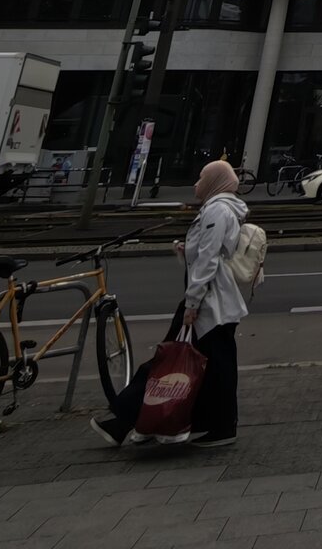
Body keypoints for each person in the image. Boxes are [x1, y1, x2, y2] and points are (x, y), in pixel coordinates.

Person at [96, 159, 248, 449]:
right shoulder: (220, 208)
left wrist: (192, 304)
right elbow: (206, 252)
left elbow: (208, 259)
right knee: (212, 368)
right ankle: (209, 426)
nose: (196, 184)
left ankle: (125, 419)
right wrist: (186, 249)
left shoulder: (217, 210)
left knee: (167, 363)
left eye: (201, 177)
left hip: (208, 304)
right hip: (211, 302)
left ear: (215, 181)